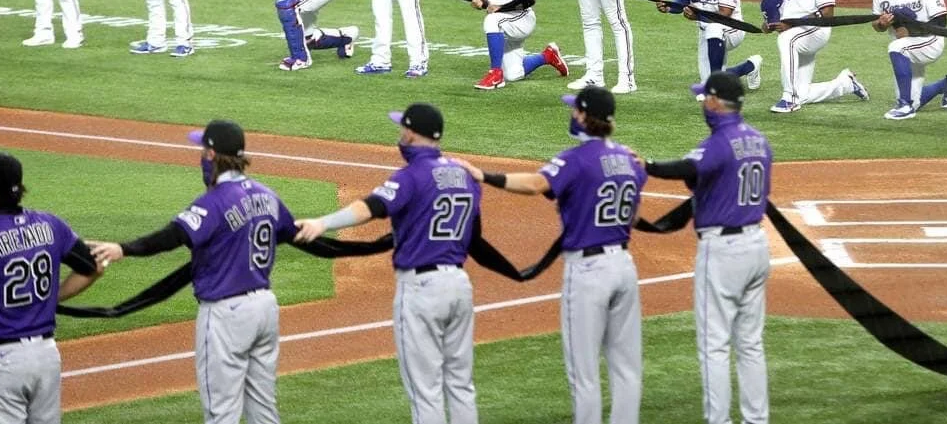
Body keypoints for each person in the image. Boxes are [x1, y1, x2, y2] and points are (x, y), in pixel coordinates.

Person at [456, 86, 646, 424]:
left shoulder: (576, 159)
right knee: (627, 368)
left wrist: (485, 176)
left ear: (584, 116)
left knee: (584, 372)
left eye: (575, 110)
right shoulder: (631, 160)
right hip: (624, 266)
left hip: (589, 271)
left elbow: (536, 185)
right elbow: (633, 215)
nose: (572, 114)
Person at [89, 120, 298, 424]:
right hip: (265, 308)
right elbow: (293, 232)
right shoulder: (267, 194)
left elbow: (173, 236)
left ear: (212, 155)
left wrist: (124, 248)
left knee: (221, 413)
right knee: (264, 410)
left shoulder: (214, 202)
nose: (200, 155)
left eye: (202, 150)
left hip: (226, 316)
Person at [295, 103, 481, 424]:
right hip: (459, 285)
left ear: (411, 133)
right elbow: (473, 232)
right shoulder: (466, 176)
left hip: (422, 289)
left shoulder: (411, 175)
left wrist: (323, 223)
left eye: (402, 128)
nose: (400, 134)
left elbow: (371, 207)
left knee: (425, 391)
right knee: (461, 384)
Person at [636, 71, 772, 424]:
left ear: (714, 101)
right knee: (750, 344)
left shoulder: (719, 143)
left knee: (714, 344)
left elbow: (686, 168)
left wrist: (648, 166)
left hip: (724, 251)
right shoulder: (760, 141)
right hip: (757, 245)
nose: (702, 105)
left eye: (704, 98)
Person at [0, 151, 101, 424]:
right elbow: (93, 266)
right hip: (46, 356)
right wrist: (51, 297)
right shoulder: (51, 225)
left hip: (0, 361)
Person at [761, 0, 868, 113]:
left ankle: (789, 98)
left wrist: (792, 23)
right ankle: (846, 84)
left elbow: (827, 13)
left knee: (786, 39)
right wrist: (769, 23)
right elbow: (768, 5)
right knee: (803, 93)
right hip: (792, 31)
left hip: (816, 30)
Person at [657, 0, 762, 99]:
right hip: (705, 31)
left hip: (732, 29)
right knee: (712, 76)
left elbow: (724, 14)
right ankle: (750, 66)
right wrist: (669, 7)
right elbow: (683, 0)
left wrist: (697, 16)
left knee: (714, 29)